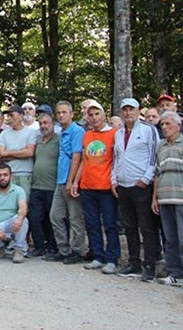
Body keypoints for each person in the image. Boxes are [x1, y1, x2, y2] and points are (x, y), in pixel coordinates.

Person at [153, 111, 183, 293]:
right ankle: (174, 272)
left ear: (178, 125)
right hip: (165, 199)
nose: (164, 128)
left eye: (167, 124)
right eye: (162, 125)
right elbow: (158, 173)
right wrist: (155, 198)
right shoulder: (160, 146)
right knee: (171, 239)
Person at [112, 98, 159, 281]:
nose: (128, 113)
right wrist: (114, 179)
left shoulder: (148, 130)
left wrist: (146, 178)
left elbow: (154, 156)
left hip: (141, 186)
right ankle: (134, 262)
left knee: (146, 227)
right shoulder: (119, 133)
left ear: (138, 111)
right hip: (123, 185)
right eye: (125, 110)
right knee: (129, 226)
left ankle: (150, 264)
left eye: (131, 109)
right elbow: (116, 157)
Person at [72, 101, 120, 274]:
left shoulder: (114, 134)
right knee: (91, 224)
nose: (93, 118)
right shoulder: (87, 135)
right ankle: (98, 256)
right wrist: (77, 181)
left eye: (96, 114)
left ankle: (112, 258)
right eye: (90, 115)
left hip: (106, 186)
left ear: (103, 115)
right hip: (87, 185)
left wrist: (115, 181)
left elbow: (117, 159)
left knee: (110, 224)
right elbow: (84, 160)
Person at [45, 101, 87, 264]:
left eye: (64, 112)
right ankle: (63, 249)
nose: (61, 115)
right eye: (59, 112)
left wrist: (71, 181)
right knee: (55, 215)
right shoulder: (62, 132)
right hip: (60, 181)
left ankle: (77, 250)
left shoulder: (77, 131)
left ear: (71, 114)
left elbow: (77, 157)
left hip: (71, 181)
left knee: (75, 218)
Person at [0, 163, 29, 263]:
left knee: (23, 219)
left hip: (13, 223)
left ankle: (18, 249)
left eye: (5, 175)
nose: (2, 178)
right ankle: (1, 247)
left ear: (10, 176)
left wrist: (19, 219)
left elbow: (23, 208)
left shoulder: (18, 190)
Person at [28, 111, 59, 258]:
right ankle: (39, 246)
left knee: (51, 219)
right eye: (40, 123)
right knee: (35, 217)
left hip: (52, 186)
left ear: (53, 124)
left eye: (46, 123)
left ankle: (53, 247)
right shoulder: (38, 141)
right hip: (36, 186)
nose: (43, 126)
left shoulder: (58, 140)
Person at [0, 105, 37, 197]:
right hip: (8, 175)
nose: (9, 118)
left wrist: (8, 153)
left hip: (25, 175)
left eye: (12, 115)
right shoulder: (4, 134)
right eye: (8, 116)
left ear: (21, 116)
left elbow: (30, 153)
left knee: (24, 205)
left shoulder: (31, 132)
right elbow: (0, 154)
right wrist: (22, 153)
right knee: (9, 205)